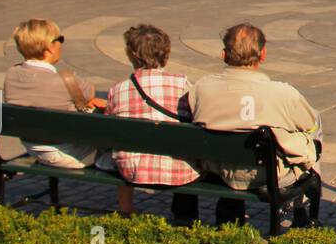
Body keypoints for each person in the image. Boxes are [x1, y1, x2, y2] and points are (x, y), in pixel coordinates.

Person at [190, 23, 322, 227]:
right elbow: (309, 124)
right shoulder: (282, 93)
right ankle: (300, 208)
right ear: (263, 54)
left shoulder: (201, 89)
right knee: (314, 123)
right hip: (267, 173)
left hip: (220, 168)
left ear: (224, 55)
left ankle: (231, 207)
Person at [103, 24, 200, 221]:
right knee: (187, 147)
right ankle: (185, 217)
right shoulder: (183, 84)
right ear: (167, 53)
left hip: (132, 168)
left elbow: (109, 127)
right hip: (179, 170)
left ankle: (126, 211)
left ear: (130, 54)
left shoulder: (119, 89)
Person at [3, 19, 107, 168]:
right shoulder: (67, 80)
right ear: (50, 47)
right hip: (72, 153)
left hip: (32, 147)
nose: (61, 44)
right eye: (60, 39)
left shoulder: (11, 74)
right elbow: (92, 93)